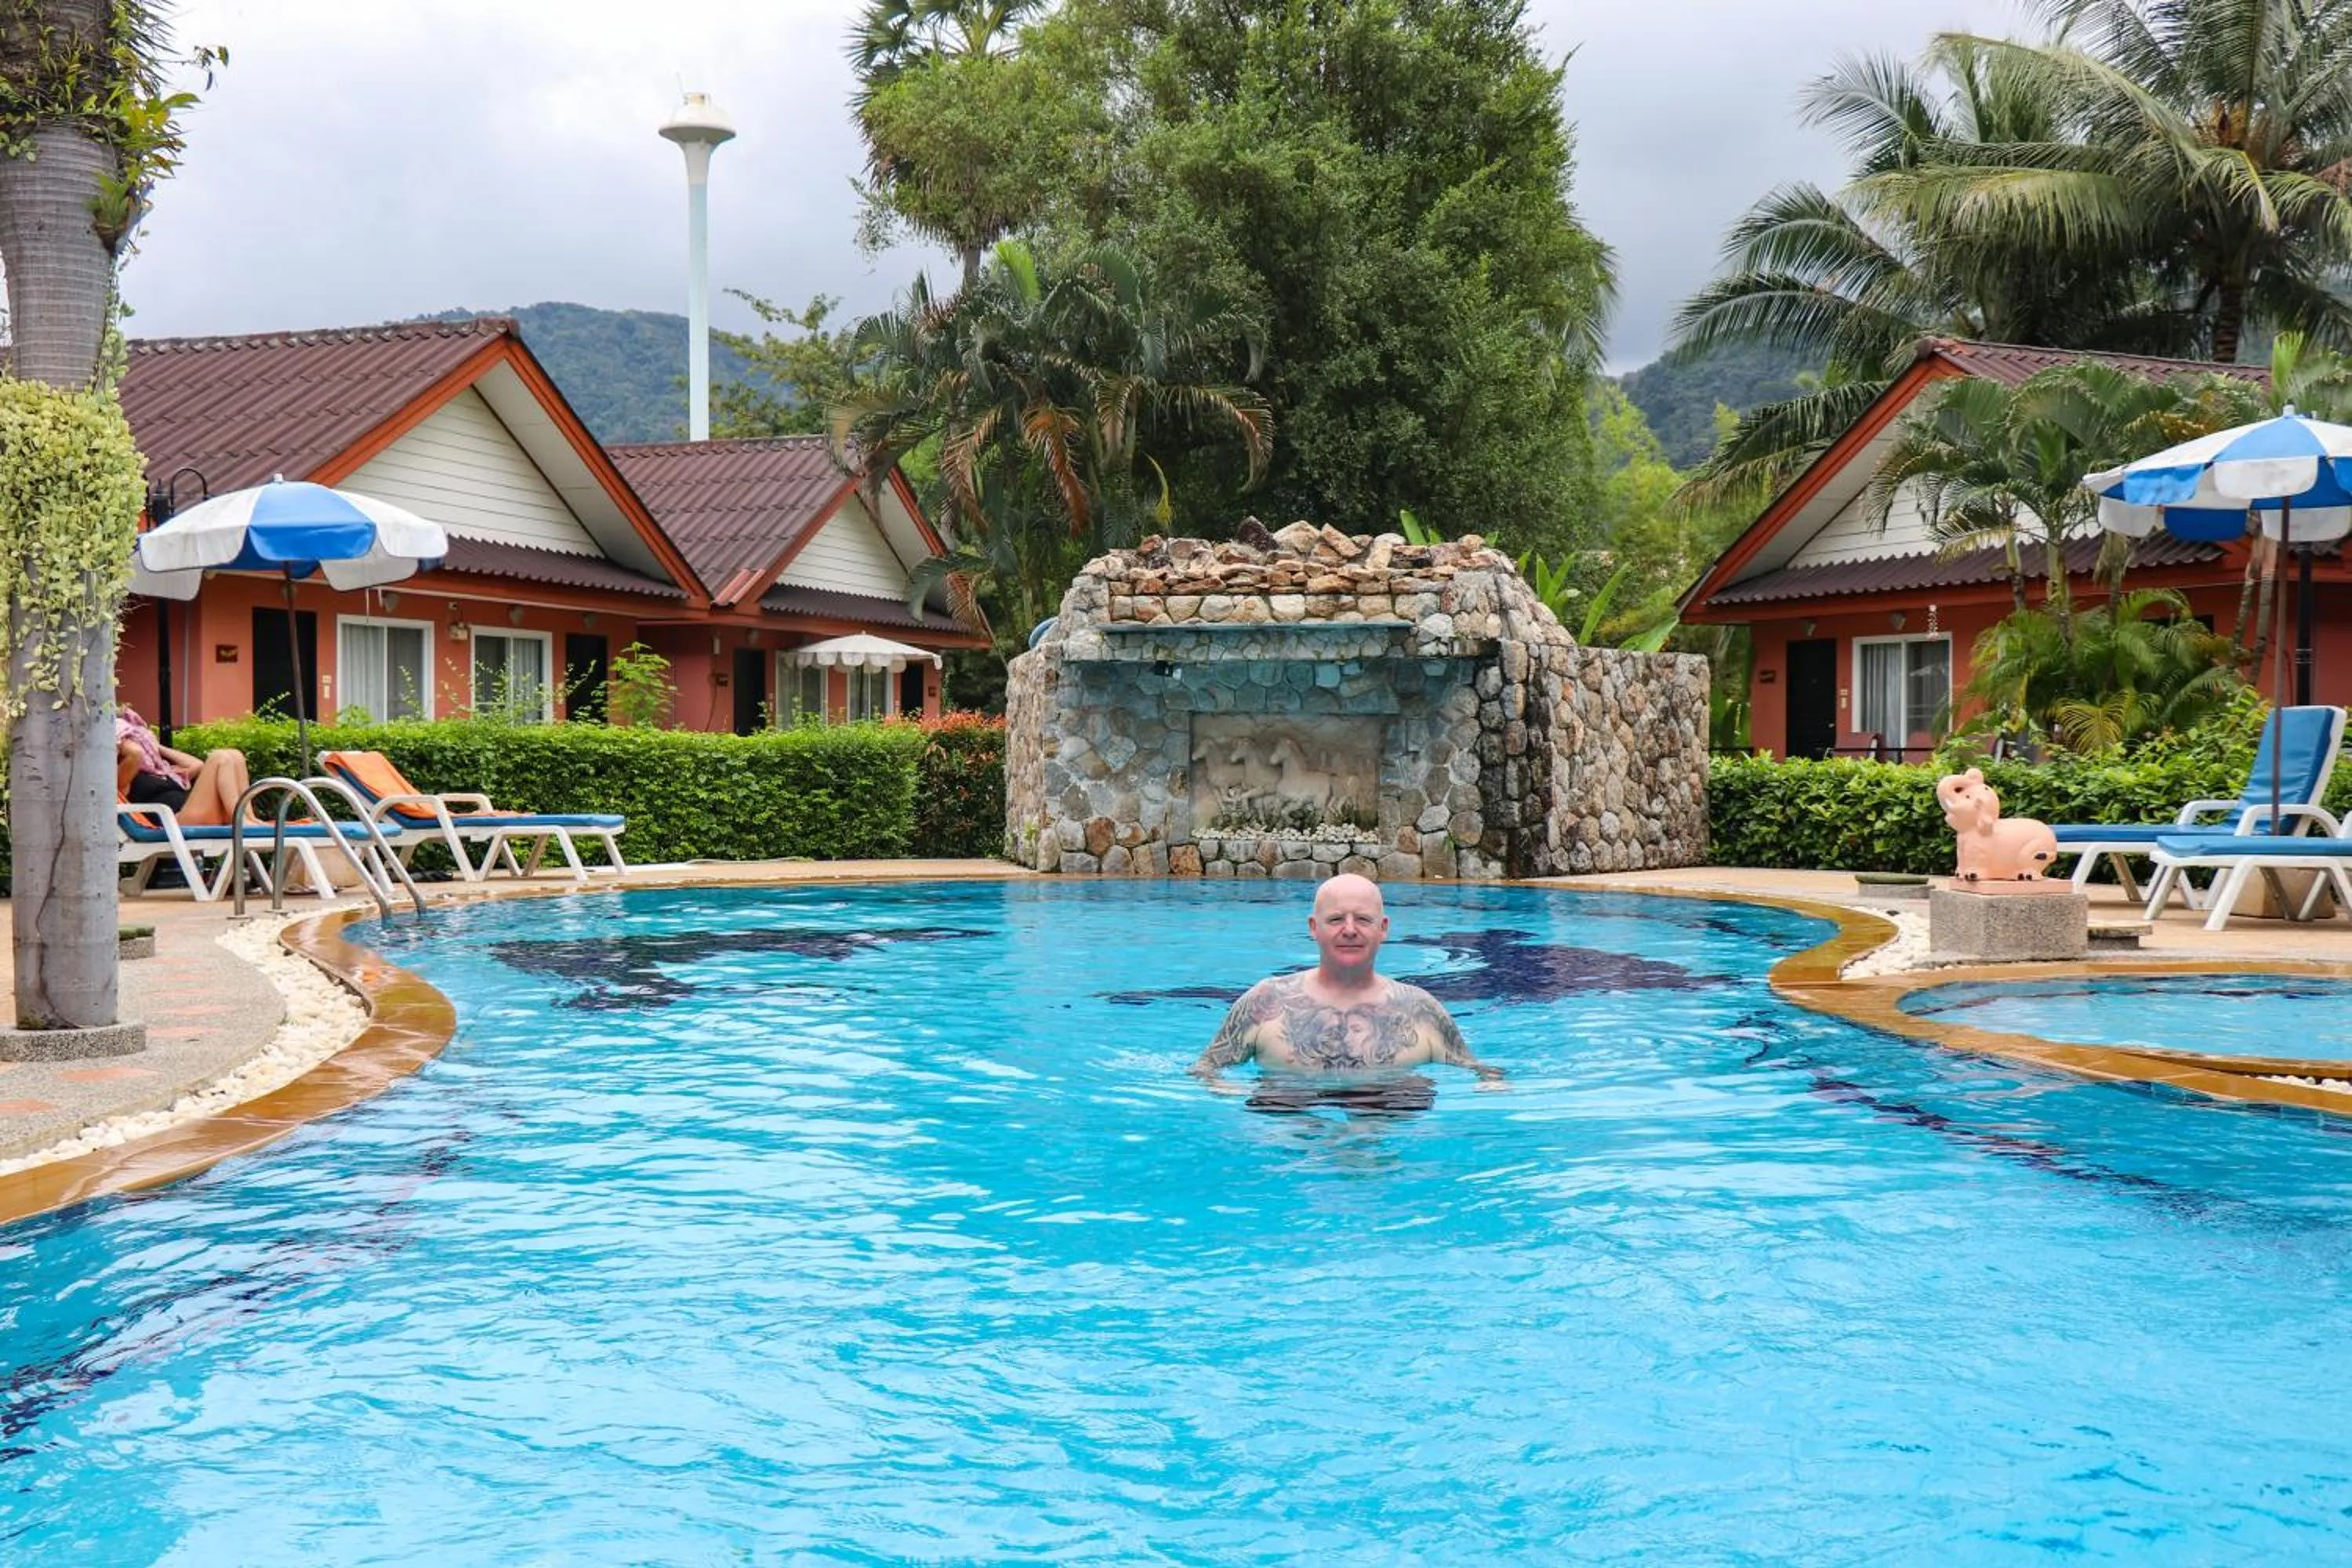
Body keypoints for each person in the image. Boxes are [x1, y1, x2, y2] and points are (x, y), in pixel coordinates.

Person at [1189, 873, 1504, 1107]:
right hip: (1289, 1147)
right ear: (1314, 928)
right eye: (1337, 919)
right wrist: (1229, 1092)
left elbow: (1479, 1070)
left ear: (1383, 929)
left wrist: (1491, 1086)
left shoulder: (1420, 1008)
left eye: (1363, 919)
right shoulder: (1267, 999)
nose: (1350, 930)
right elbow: (1204, 1068)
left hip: (1389, 1146)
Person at [115, 708, 253, 826]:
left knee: (235, 755)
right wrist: (125, 739)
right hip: (177, 822)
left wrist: (155, 746)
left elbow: (197, 765)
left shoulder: (163, 770)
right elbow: (135, 753)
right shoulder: (126, 777)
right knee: (220, 758)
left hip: (198, 814)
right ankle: (242, 821)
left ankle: (249, 818)